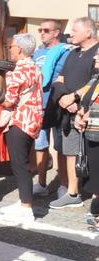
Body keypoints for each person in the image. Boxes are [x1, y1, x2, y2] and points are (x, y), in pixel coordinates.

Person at [48, 17, 99, 209]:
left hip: (89, 113)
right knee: (70, 152)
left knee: (93, 154)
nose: (71, 34)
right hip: (68, 112)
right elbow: (59, 78)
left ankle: (95, 196)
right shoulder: (72, 53)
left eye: (75, 30)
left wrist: (75, 98)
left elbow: (95, 80)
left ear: (88, 32)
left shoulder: (97, 52)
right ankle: (72, 192)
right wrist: (63, 98)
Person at [0, 33, 44, 222]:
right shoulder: (35, 67)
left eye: (11, 46)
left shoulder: (17, 71)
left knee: (20, 164)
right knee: (22, 163)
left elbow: (9, 101)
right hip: (32, 120)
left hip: (19, 120)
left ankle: (26, 207)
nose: (10, 49)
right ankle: (23, 201)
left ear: (20, 49)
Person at [32, 20, 71, 196]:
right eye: (40, 30)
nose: (42, 33)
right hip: (39, 105)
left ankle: (64, 185)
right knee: (40, 145)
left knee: (61, 148)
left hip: (57, 106)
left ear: (57, 32)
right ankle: (41, 184)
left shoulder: (66, 52)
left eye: (46, 30)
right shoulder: (37, 52)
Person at [74, 50, 99, 230]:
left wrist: (88, 115)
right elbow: (86, 99)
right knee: (95, 176)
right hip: (92, 133)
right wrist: (80, 113)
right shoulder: (95, 78)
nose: (95, 58)